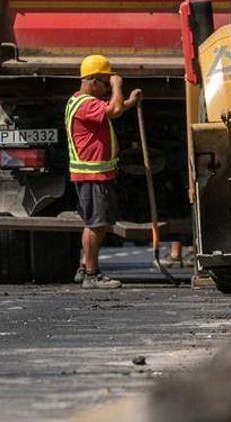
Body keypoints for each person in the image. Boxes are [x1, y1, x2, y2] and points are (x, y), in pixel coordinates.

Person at [67, 54, 141, 289]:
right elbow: (114, 110)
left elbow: (114, 108)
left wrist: (129, 101)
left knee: (93, 222)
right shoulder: (85, 103)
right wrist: (118, 86)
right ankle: (91, 274)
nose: (108, 87)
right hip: (92, 174)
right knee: (95, 224)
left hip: (95, 174)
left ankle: (83, 266)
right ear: (93, 81)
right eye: (106, 83)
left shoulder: (83, 102)